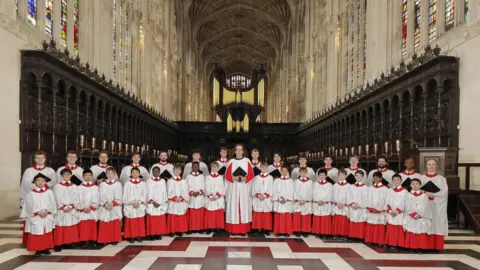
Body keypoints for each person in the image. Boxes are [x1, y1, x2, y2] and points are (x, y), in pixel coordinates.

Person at [20, 173, 56, 257]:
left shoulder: (50, 192)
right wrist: (38, 212)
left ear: (45, 182)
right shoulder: (31, 194)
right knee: (36, 232)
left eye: (43, 180)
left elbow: (53, 204)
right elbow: (28, 206)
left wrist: (47, 211)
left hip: (47, 216)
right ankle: (38, 249)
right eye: (38, 180)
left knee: (46, 232)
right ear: (34, 182)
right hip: (36, 217)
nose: (40, 182)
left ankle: (46, 248)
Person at [224, 144, 255, 236]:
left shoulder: (247, 161)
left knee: (243, 207)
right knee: (234, 207)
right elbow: (227, 175)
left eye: (240, 150)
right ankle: (233, 230)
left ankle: (243, 230)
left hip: (244, 188)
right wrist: (234, 178)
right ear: (234, 151)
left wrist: (243, 178)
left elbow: (251, 175)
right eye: (237, 150)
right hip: (233, 187)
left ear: (243, 151)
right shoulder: (231, 162)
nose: (238, 152)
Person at [421, 159, 448, 252]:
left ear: (436, 166)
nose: (431, 166)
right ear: (426, 166)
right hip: (425, 204)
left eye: (433, 164)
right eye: (429, 164)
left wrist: (434, 195)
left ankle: (438, 246)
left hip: (437, 205)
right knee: (426, 223)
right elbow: (417, 190)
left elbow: (444, 192)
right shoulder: (422, 178)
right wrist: (425, 193)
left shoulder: (442, 179)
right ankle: (425, 246)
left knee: (438, 223)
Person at [53, 169, 80, 252]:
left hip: (71, 209)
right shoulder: (57, 186)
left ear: (71, 175)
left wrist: (71, 206)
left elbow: (76, 197)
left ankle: (68, 242)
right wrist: (63, 207)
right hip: (61, 210)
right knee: (60, 226)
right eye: (65, 174)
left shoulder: (75, 186)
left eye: (68, 174)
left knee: (69, 226)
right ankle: (58, 244)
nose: (67, 176)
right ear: (61, 176)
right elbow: (56, 198)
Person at [403, 178, 432, 253]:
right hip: (411, 217)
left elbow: (426, 206)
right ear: (410, 185)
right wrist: (414, 214)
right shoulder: (407, 195)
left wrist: (420, 214)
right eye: (413, 184)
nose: (415, 185)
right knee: (412, 231)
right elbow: (407, 206)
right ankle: (412, 247)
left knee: (420, 232)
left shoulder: (424, 195)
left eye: (417, 184)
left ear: (420, 185)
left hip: (421, 217)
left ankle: (420, 247)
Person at [97, 167, 123, 245]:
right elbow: (101, 195)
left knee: (114, 222)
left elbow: (119, 195)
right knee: (105, 222)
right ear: (106, 174)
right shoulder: (102, 184)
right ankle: (105, 239)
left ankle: (114, 239)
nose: (110, 175)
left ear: (114, 174)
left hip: (114, 206)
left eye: (112, 173)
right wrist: (105, 204)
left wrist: (113, 204)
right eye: (108, 173)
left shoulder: (118, 184)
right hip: (105, 207)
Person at [123, 167, 147, 243]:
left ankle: (138, 235)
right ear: (131, 174)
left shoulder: (143, 183)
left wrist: (139, 202)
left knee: (139, 221)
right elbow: (125, 195)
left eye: (137, 172)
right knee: (131, 221)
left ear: (139, 174)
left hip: (139, 205)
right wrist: (132, 202)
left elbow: (145, 194)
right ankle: (131, 236)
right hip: (130, 205)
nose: (135, 174)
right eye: (133, 172)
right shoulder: (127, 183)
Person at [365, 172, 389, 246]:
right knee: (371, 225)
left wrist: (379, 210)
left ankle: (379, 241)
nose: (376, 179)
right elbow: (367, 199)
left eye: (378, 178)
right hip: (371, 210)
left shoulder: (385, 189)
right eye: (374, 178)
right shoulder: (370, 188)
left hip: (379, 211)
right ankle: (369, 240)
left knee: (379, 226)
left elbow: (386, 200)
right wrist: (370, 208)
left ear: (381, 179)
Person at [384, 174, 407, 250]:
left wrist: (397, 211)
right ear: (392, 181)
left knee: (399, 227)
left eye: (398, 180)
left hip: (399, 213)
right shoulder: (389, 191)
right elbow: (386, 201)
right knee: (391, 228)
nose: (396, 181)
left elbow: (405, 203)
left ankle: (399, 244)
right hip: (391, 213)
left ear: (401, 181)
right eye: (394, 180)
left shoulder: (405, 192)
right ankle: (391, 243)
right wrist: (390, 210)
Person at [77, 169, 99, 248]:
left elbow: (97, 198)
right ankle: (84, 241)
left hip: (92, 210)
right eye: (86, 175)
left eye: (89, 175)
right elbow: (77, 199)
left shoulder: (95, 187)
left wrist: (91, 207)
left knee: (92, 225)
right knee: (83, 226)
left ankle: (92, 240)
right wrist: (83, 208)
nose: (88, 177)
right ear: (83, 177)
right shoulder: (79, 188)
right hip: (83, 210)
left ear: (92, 177)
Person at [146, 167, 168, 240]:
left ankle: (158, 233)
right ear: (152, 172)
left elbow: (164, 192)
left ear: (159, 172)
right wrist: (152, 202)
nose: (156, 173)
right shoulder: (148, 181)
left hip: (160, 203)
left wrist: (161, 202)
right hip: (152, 203)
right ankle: (151, 234)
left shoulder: (162, 181)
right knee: (152, 220)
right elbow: (147, 192)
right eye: (154, 171)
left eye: (157, 171)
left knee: (159, 220)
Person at [251, 162, 273, 235]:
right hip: (258, 198)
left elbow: (271, 188)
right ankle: (258, 228)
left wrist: (265, 195)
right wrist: (258, 195)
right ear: (260, 168)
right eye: (262, 167)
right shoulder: (256, 177)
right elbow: (254, 188)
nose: (264, 169)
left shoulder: (270, 177)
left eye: (265, 167)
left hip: (266, 198)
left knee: (266, 213)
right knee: (258, 213)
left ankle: (266, 229)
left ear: (267, 168)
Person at [273, 167, 295, 237]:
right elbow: (274, 191)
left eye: (286, 170)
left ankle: (287, 231)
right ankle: (278, 231)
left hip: (287, 202)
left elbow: (293, 192)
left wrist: (286, 199)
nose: (284, 172)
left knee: (287, 217)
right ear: (280, 171)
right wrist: (280, 199)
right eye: (282, 170)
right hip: (279, 201)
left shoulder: (291, 181)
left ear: (287, 171)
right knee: (278, 217)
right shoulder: (276, 181)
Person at [167, 166, 189, 236]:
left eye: (178, 170)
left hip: (181, 201)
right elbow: (168, 191)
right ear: (173, 171)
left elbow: (185, 191)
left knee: (180, 216)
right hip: (173, 201)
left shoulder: (183, 181)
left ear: (180, 171)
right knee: (173, 216)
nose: (177, 171)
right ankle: (171, 231)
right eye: (175, 170)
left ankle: (179, 230)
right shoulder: (170, 181)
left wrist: (182, 198)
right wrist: (173, 198)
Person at [204, 161, 225, 234]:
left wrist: (217, 195)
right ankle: (210, 227)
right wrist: (209, 195)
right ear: (211, 168)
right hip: (210, 198)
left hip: (218, 198)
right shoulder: (207, 177)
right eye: (213, 167)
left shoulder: (220, 177)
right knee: (210, 213)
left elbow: (222, 187)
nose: (214, 168)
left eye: (216, 167)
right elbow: (206, 187)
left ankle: (218, 227)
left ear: (218, 168)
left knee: (218, 213)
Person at [347, 170, 368, 242]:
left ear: (362, 177)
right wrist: (352, 204)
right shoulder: (351, 187)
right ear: (354, 176)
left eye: (360, 176)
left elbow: (366, 199)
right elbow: (349, 196)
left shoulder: (366, 188)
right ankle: (352, 236)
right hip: (353, 207)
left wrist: (359, 205)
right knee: (353, 220)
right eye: (356, 175)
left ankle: (360, 236)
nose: (358, 177)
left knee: (360, 220)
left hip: (360, 208)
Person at [312, 169, 333, 239]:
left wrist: (324, 201)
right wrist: (317, 200)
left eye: (323, 175)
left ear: (326, 176)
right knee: (317, 218)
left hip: (325, 203)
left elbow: (329, 194)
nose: (321, 176)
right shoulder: (315, 184)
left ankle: (325, 232)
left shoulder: (329, 184)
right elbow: (314, 193)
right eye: (320, 175)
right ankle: (317, 232)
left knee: (325, 218)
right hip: (317, 203)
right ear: (318, 176)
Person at [292, 167, 313, 237]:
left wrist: (305, 200)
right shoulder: (296, 181)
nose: (303, 174)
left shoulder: (310, 182)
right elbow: (294, 191)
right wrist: (298, 200)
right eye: (301, 173)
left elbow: (310, 192)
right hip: (298, 202)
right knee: (297, 216)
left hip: (306, 202)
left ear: (306, 173)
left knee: (305, 217)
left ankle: (305, 231)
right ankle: (297, 230)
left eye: (304, 173)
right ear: (299, 173)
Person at [186, 161, 206, 233]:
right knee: (192, 214)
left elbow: (204, 187)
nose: (195, 167)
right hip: (191, 197)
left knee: (199, 213)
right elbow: (186, 187)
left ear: (199, 167)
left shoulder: (202, 176)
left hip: (199, 197)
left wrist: (199, 192)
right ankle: (191, 228)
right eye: (194, 166)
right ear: (191, 167)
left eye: (196, 166)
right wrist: (191, 192)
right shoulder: (188, 176)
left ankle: (200, 228)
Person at [331, 169, 350, 239]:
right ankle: (336, 233)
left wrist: (344, 204)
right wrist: (337, 203)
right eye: (340, 175)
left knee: (344, 220)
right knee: (336, 220)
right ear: (338, 176)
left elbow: (349, 196)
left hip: (344, 205)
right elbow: (332, 195)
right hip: (337, 205)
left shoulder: (349, 186)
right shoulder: (335, 185)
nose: (341, 176)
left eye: (343, 175)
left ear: (346, 176)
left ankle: (344, 234)